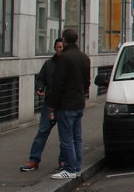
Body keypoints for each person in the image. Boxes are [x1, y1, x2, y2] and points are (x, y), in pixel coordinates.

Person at [45, 27, 91, 180]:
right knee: (77, 137)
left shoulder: (63, 58)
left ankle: (70, 168)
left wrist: (52, 104)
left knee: (67, 139)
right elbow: (87, 81)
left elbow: (58, 83)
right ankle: (76, 167)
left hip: (66, 104)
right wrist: (81, 94)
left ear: (64, 40)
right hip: (78, 103)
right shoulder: (84, 57)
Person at [19, 38, 66, 172]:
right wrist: (40, 88)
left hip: (64, 104)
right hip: (49, 103)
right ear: (55, 49)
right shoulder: (48, 64)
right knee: (42, 131)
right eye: (58, 47)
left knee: (64, 134)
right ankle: (33, 160)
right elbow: (41, 78)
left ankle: (63, 161)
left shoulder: (68, 64)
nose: (60, 49)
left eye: (62, 47)